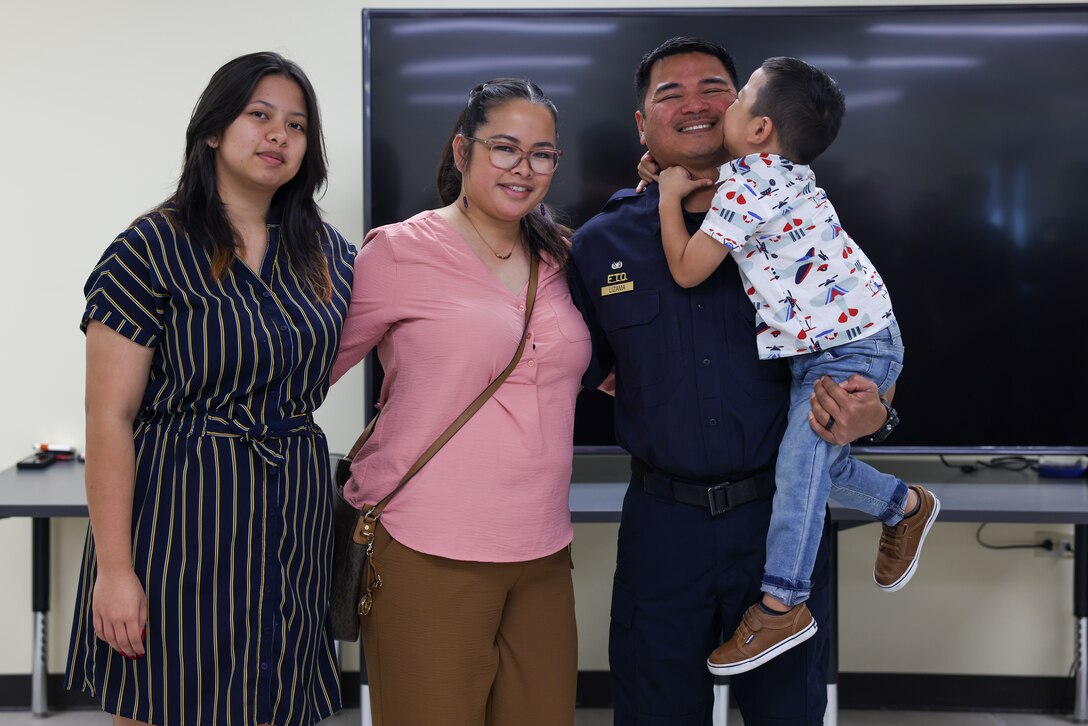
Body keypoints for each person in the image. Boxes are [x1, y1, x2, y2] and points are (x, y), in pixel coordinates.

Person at [568, 37, 898, 725]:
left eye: (714, 88)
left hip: (780, 523)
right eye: (669, 93)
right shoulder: (601, 243)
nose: (693, 104)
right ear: (643, 124)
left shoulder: (806, 221)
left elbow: (867, 352)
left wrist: (876, 416)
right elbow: (583, 367)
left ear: (751, 114)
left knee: (787, 713)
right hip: (663, 530)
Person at [65, 52, 354, 726]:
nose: (278, 135)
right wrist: (115, 571)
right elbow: (110, 415)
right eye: (259, 115)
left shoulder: (329, 255)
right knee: (164, 696)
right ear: (215, 131)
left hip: (292, 512)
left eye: (296, 124)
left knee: (276, 697)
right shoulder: (150, 247)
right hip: (179, 514)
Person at [650, 55, 939, 676]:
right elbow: (730, 194)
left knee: (799, 473)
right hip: (852, 339)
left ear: (758, 130)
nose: (721, 107)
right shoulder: (771, 172)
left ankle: (783, 603)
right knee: (805, 471)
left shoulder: (747, 185)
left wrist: (669, 198)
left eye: (738, 96)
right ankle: (904, 507)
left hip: (850, 349)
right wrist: (679, 178)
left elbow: (686, 269)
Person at [330, 78, 590, 726]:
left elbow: (624, 372)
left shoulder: (562, 257)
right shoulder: (397, 251)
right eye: (504, 148)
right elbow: (306, 370)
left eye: (542, 154)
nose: (523, 168)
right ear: (461, 151)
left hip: (542, 551)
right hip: (425, 546)